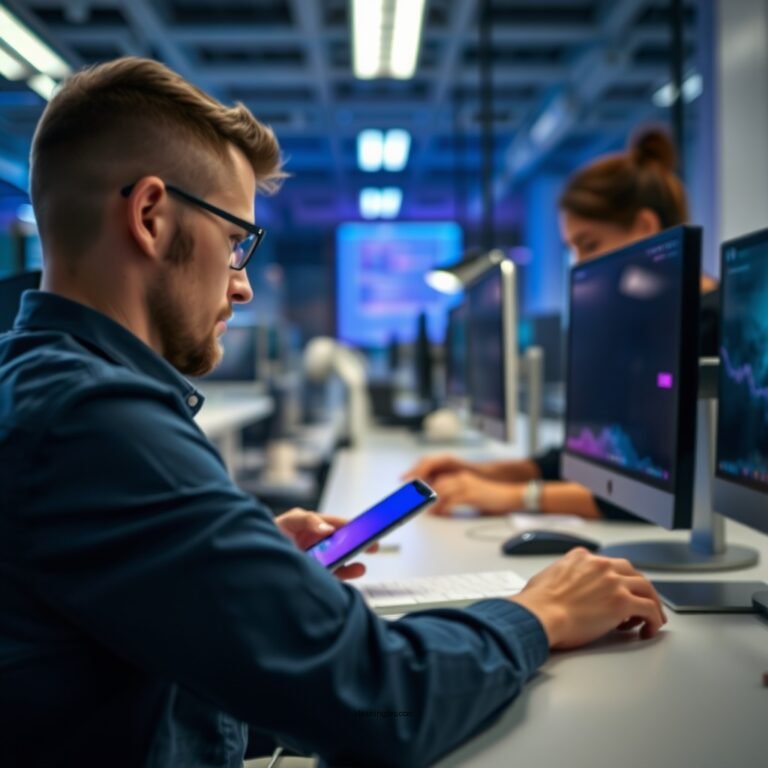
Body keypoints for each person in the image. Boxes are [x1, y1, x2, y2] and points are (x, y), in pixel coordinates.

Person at [0, 58, 666, 768]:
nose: (244, 286)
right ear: (151, 216)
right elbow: (380, 698)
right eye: (235, 243)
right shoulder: (95, 417)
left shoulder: (40, 382)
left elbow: (130, 677)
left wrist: (228, 583)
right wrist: (542, 613)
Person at [406, 128, 717, 518]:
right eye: (573, 250)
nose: (581, 266)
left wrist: (516, 497)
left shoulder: (713, 326)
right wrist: (485, 473)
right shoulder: (635, 328)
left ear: (644, 228)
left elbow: (669, 487)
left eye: (589, 244)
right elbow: (594, 452)